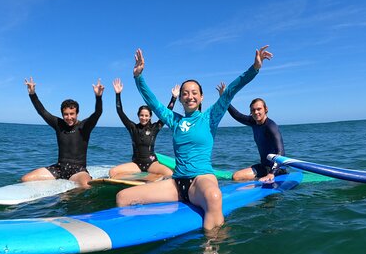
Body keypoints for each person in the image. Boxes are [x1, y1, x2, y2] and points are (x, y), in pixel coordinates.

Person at [116, 45, 273, 232]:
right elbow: (153, 103)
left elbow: (231, 91)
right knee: (123, 197)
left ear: (201, 97)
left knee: (214, 196)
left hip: (201, 180)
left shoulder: (210, 117)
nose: (189, 96)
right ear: (180, 99)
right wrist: (138, 77)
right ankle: (136, 235)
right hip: (176, 184)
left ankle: (211, 248)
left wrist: (254, 68)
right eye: (185, 93)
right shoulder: (174, 120)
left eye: (194, 93)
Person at [22, 76, 104, 188]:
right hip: (59, 168)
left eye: (72, 114)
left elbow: (97, 113)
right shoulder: (58, 124)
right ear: (62, 114)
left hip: (78, 171)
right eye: (66, 114)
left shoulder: (84, 126)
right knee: (26, 179)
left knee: (86, 185)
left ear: (77, 113)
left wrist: (98, 97)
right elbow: (42, 111)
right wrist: (32, 94)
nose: (69, 117)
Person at [108, 78, 178, 178]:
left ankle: (154, 183)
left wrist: (174, 98)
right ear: (138, 115)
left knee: (169, 173)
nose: (144, 118)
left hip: (152, 163)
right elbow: (120, 112)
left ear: (150, 117)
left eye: (146, 116)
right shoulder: (133, 128)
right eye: (141, 115)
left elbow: (166, 114)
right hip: (136, 164)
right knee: (112, 172)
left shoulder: (155, 128)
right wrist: (118, 94)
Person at [215, 83, 285, 182]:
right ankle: (257, 180)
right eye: (253, 110)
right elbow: (237, 115)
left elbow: (281, 153)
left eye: (259, 109)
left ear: (266, 109)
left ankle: (260, 180)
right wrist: (225, 99)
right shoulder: (253, 122)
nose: (256, 112)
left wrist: (272, 173)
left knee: (236, 176)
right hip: (264, 167)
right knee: (237, 176)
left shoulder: (271, 126)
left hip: (276, 170)